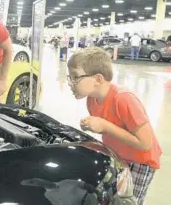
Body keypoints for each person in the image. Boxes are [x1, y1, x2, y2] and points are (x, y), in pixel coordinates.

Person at [66, 47, 162, 205]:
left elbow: (145, 143)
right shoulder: (92, 99)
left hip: (140, 161)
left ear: (98, 79)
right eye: (69, 77)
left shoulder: (123, 99)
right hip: (119, 156)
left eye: (75, 77)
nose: (70, 83)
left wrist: (105, 126)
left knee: (128, 201)